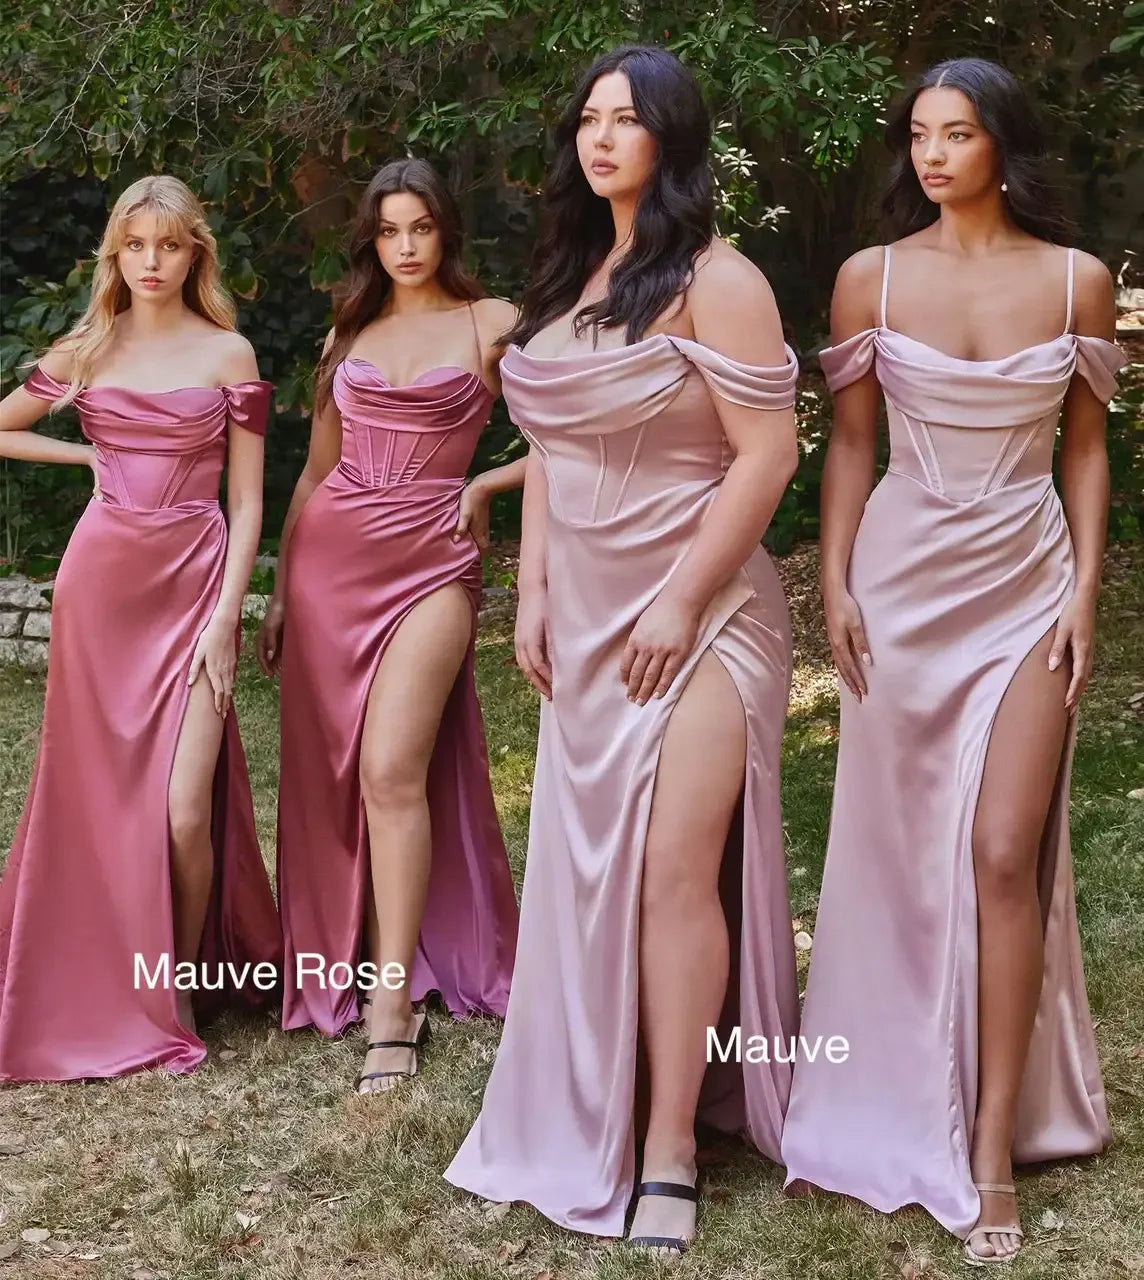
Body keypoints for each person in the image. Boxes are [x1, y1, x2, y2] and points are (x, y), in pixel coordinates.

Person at [445, 46, 801, 1254]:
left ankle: (670, 1146)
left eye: (627, 120)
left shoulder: (721, 278)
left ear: (673, 138)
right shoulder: (561, 278)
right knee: (589, 867)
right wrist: (530, 590)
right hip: (584, 615)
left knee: (667, 870)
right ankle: (596, 1091)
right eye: (588, 118)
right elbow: (549, 448)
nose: (601, 138)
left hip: (702, 612)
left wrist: (677, 599)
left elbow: (768, 457)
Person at [781, 58, 1124, 1266]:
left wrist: (1085, 588)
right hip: (902, 575)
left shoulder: (1077, 280)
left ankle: (988, 1144)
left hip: (1026, 582)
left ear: (1002, 146)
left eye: (958, 134)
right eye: (919, 135)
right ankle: (887, 1083)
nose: (931, 155)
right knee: (893, 843)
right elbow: (851, 443)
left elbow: (1084, 451)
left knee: (1000, 847)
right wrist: (830, 575)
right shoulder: (866, 279)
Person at [0, 175, 281, 1082]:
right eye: (135, 246)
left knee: (183, 806)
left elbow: (246, 501)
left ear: (196, 251)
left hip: (194, 585)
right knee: (98, 796)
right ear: (114, 256)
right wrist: (82, 449)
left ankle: (182, 980)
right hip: (102, 588)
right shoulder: (87, 348)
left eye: (168, 245)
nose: (152, 262)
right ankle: (127, 987)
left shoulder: (230, 354)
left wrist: (226, 617)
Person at [258, 159, 521, 1093]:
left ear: (448, 230)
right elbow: (315, 472)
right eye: (388, 232)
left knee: (388, 770)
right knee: (333, 780)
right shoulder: (352, 328)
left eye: (422, 228)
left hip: (435, 561)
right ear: (370, 239)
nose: (406, 247)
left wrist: (489, 480)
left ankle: (393, 1005)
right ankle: (344, 957)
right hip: (332, 560)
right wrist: (286, 588)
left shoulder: (494, 324)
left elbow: (583, 431)